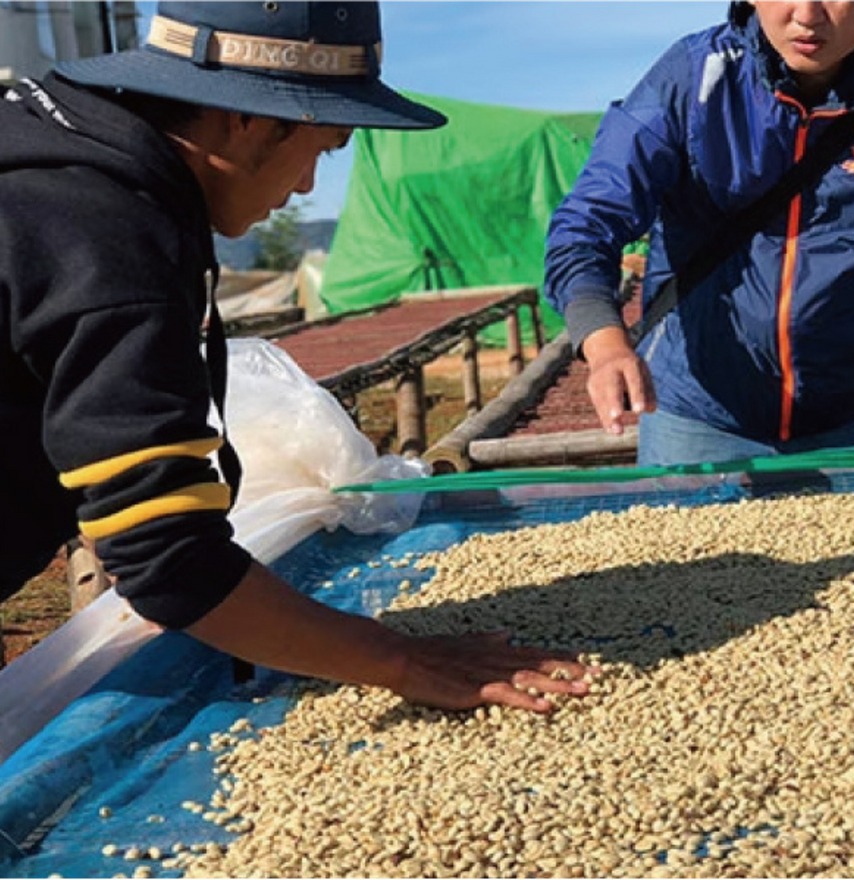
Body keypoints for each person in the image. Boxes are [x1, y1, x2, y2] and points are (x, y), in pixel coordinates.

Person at [0, 1, 595, 710]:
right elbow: (165, 557)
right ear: (244, 118)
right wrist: (400, 659)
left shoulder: (46, 156)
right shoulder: (105, 237)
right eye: (324, 147)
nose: (309, 187)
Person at [545, 1, 854, 467]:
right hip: (700, 419)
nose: (806, 14)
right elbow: (587, 221)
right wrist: (604, 346)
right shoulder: (694, 78)